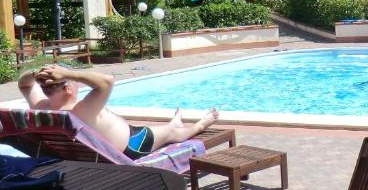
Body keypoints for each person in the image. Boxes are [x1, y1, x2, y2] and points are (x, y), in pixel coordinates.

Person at [18, 65, 219, 159]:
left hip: (90, 152)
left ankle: (173, 123)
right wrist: (68, 73)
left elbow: (25, 86)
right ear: (68, 88)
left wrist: (36, 74)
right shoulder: (78, 111)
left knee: (165, 128)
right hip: (132, 144)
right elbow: (107, 81)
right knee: (173, 134)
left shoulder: (42, 107)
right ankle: (200, 124)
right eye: (74, 82)